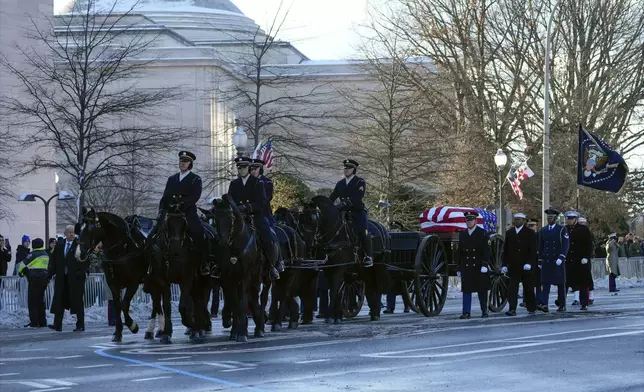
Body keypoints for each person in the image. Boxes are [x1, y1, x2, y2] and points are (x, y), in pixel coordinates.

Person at [154, 150, 210, 275]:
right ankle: (151, 266)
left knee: (200, 233)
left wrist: (181, 204)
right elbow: (165, 197)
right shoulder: (172, 179)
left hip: (187, 213)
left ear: (190, 163)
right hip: (171, 213)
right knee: (154, 233)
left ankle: (203, 263)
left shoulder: (195, 179)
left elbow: (194, 197)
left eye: (186, 161)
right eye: (181, 161)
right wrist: (161, 211)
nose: (183, 163)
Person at [228, 156, 280, 280]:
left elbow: (261, 202)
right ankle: (220, 265)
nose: (241, 170)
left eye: (244, 167)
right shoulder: (234, 183)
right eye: (239, 167)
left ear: (249, 168)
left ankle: (272, 265)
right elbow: (230, 199)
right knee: (224, 234)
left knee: (267, 235)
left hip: (255, 216)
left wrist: (245, 207)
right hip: (239, 217)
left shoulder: (257, 183)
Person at [329, 159, 373, 267]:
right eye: (345, 168)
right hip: (342, 213)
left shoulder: (360, 181)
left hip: (357, 212)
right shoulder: (340, 183)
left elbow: (358, 197)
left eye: (348, 168)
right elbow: (333, 197)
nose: (346, 170)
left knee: (364, 231)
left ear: (354, 170)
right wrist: (326, 206)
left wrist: (344, 204)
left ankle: (368, 256)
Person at [48, 225, 88, 332]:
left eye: (73, 232)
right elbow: (54, 262)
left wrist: (80, 272)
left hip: (75, 279)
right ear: (65, 233)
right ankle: (57, 324)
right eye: (69, 232)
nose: (72, 234)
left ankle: (80, 325)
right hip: (62, 278)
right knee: (59, 300)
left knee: (77, 301)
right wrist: (49, 274)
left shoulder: (79, 245)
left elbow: (85, 261)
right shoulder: (60, 245)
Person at [502, 212, 537, 316]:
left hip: (526, 265)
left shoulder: (530, 233)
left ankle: (531, 307)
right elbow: (506, 250)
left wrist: (530, 263)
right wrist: (504, 264)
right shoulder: (510, 233)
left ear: (524, 221)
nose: (516, 221)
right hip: (514, 265)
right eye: (515, 219)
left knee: (528, 288)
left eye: (519, 219)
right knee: (512, 289)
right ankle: (512, 308)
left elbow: (533, 250)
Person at [457, 211, 491, 319]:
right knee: (466, 289)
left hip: (479, 266)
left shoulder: (482, 233)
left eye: (471, 220)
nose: (469, 222)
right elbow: (460, 252)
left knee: (482, 290)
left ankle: (484, 310)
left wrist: (485, 264)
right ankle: (466, 312)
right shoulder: (462, 234)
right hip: (467, 266)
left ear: (475, 221)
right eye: (467, 220)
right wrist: (459, 267)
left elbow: (486, 250)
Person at [537, 208, 569, 312]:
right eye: (548, 217)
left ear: (555, 218)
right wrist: (540, 260)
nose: (549, 219)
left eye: (551, 217)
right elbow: (541, 246)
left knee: (560, 284)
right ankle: (544, 304)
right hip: (547, 260)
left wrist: (561, 257)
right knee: (545, 283)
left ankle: (562, 304)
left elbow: (565, 245)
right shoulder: (543, 230)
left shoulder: (561, 229)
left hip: (557, 261)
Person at [17, 238, 49, 328]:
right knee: (41, 301)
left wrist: (21, 273)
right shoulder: (45, 254)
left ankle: (34, 322)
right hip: (44, 279)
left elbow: (22, 265)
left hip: (34, 279)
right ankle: (43, 322)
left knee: (32, 302)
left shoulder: (32, 254)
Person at [565, 211, 593, 310]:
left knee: (583, 283)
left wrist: (586, 256)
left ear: (575, 219)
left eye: (571, 219)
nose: (569, 221)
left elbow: (588, 244)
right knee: (565, 282)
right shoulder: (564, 229)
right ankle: (561, 303)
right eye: (568, 219)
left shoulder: (583, 229)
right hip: (568, 259)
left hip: (580, 259)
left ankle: (584, 302)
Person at [250, 158, 275, 229]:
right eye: (251, 169)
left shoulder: (267, 182)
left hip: (264, 213)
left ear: (260, 169)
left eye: (255, 169)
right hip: (249, 213)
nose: (253, 171)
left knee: (270, 233)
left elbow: (267, 198)